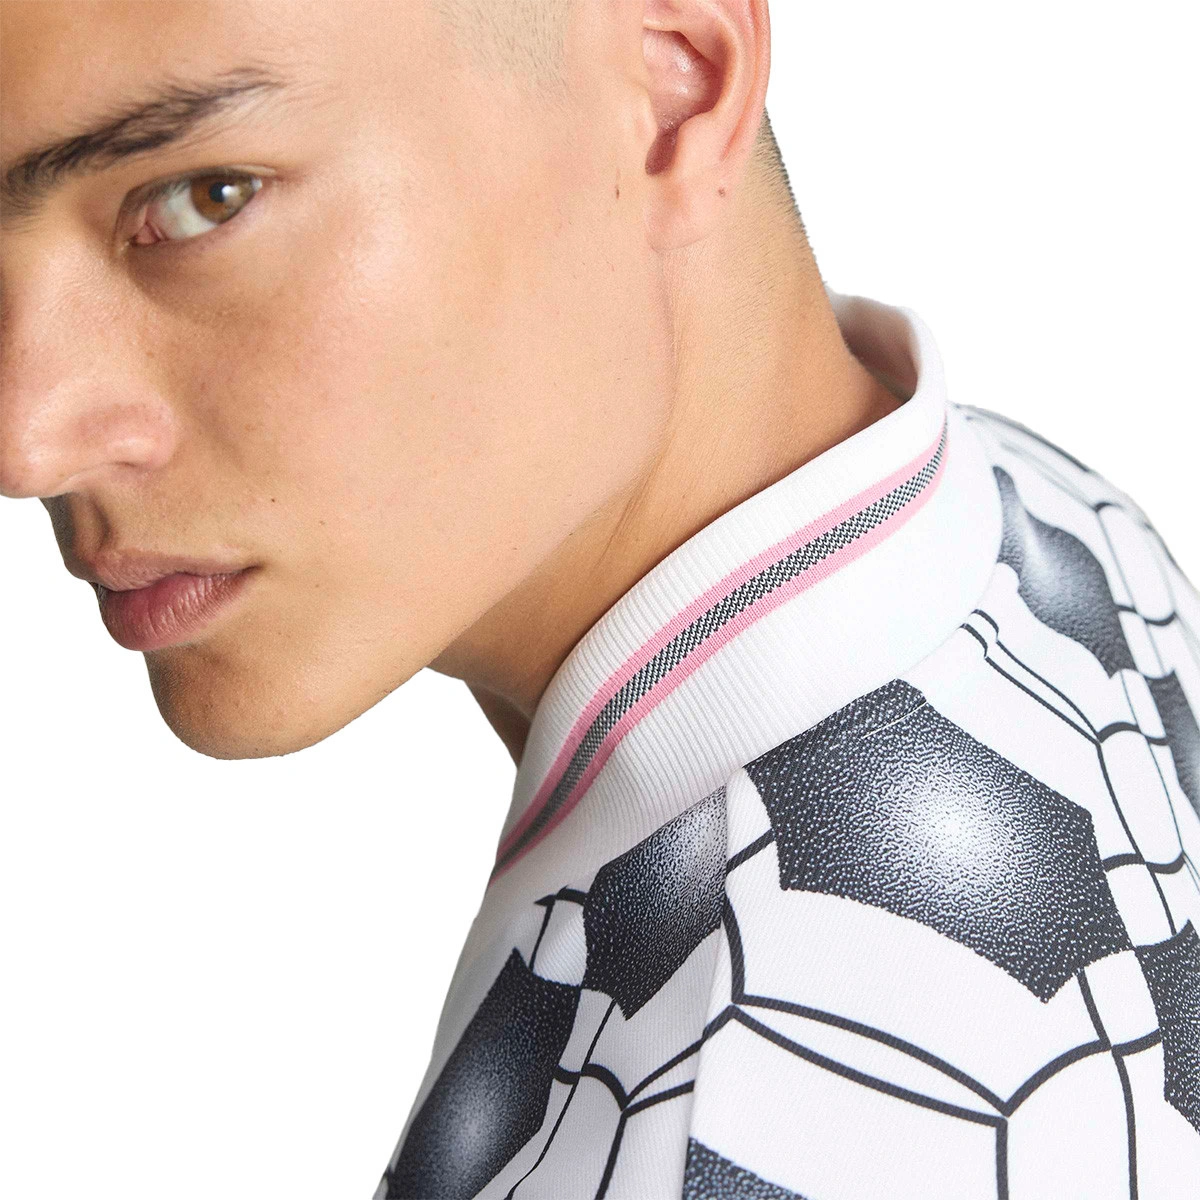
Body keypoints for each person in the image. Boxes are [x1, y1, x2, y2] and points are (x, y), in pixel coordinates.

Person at [2, 1, 1197, 1197]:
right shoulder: (1037, 522)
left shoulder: (731, 1125)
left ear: (677, 90)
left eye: (204, 198)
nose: (27, 444)